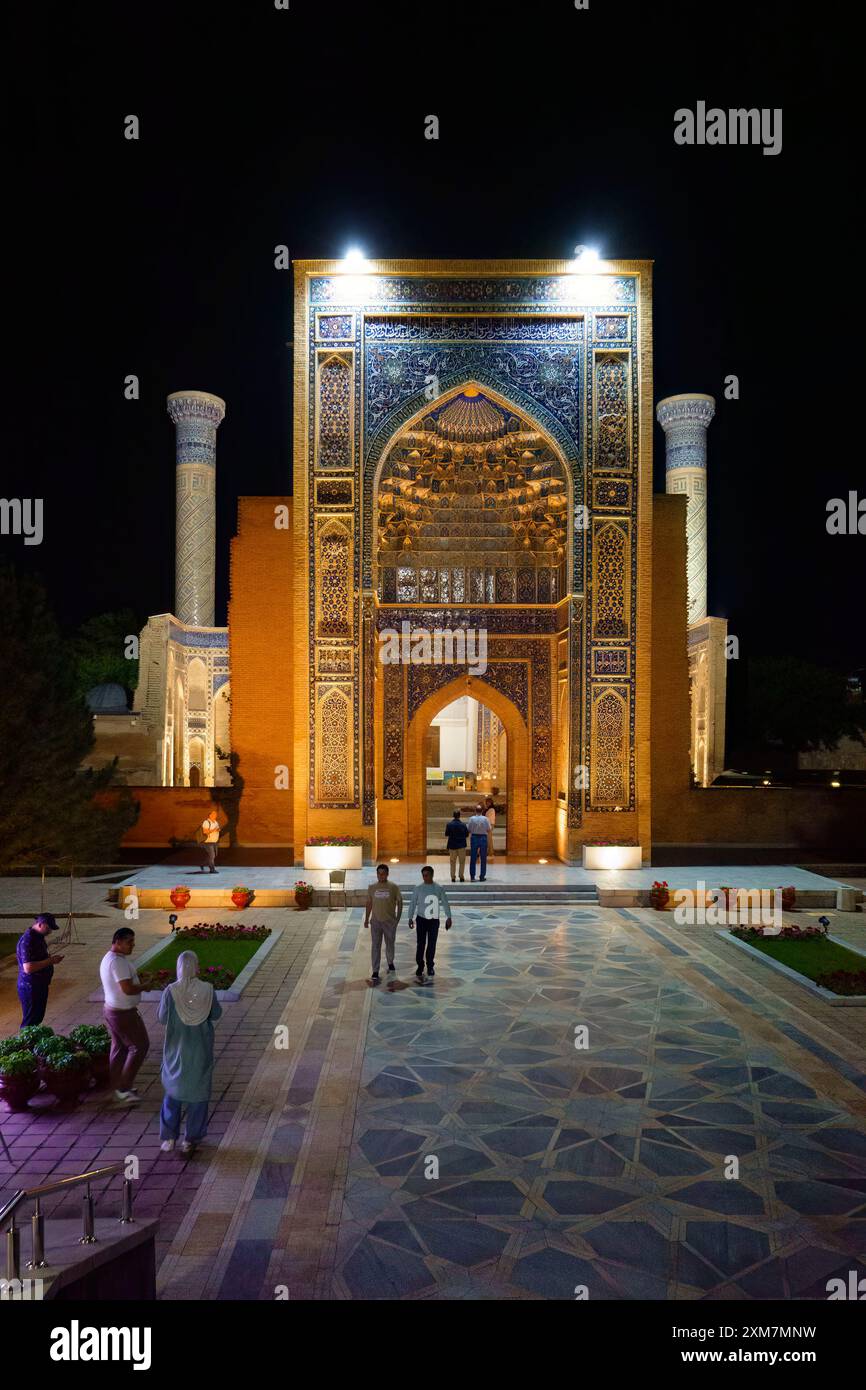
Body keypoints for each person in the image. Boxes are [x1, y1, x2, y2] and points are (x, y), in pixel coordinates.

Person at [157, 950, 222, 1155]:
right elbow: (216, 1013)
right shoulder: (207, 989)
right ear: (196, 966)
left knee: (172, 1092)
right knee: (198, 1096)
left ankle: (169, 1137)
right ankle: (191, 1139)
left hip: (176, 1050)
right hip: (200, 1051)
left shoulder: (171, 991)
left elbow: (162, 1018)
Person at [100, 927, 150, 1103]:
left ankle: (116, 1088)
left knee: (119, 1048)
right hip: (122, 1013)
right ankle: (123, 1088)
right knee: (140, 1046)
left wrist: (138, 978)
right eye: (129, 942)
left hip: (113, 1010)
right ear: (118, 942)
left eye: (133, 942)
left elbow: (125, 982)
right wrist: (145, 986)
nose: (132, 946)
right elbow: (127, 989)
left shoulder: (112, 958)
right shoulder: (117, 962)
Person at [16, 914, 63, 1026]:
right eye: (48, 928)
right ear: (40, 924)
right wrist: (50, 961)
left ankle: (33, 1042)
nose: (50, 931)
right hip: (31, 987)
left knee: (37, 1019)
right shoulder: (28, 940)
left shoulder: (38, 937)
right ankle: (26, 1042)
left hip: (39, 985)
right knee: (30, 1022)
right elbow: (28, 968)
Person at [407, 866, 452, 983]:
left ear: (432, 875)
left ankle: (430, 966)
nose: (425, 877)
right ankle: (420, 965)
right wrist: (410, 917)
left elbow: (445, 903)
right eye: (423, 875)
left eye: (427, 875)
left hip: (433, 920)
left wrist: (449, 917)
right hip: (421, 919)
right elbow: (412, 903)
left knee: (432, 944)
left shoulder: (438, 888)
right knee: (420, 944)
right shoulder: (418, 888)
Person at [363, 864, 403, 985]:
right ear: (377, 874)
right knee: (375, 946)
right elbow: (369, 903)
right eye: (379, 873)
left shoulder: (393, 887)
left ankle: (390, 962)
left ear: (387, 874)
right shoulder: (372, 887)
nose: (381, 876)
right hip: (375, 922)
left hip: (389, 921)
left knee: (390, 943)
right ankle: (375, 970)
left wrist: (397, 919)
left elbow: (400, 902)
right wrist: (366, 919)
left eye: (383, 873)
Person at [466, 805, 491, 882]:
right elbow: (489, 829)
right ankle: (482, 876)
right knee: (483, 858)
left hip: (474, 837)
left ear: (475, 811)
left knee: (473, 857)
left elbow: (469, 829)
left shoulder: (472, 819)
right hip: (483, 838)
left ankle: (472, 877)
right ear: (482, 811)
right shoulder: (485, 819)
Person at [444, 808, 469, 882]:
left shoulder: (449, 824)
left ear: (453, 816)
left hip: (452, 845)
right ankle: (461, 876)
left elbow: (446, 834)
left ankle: (453, 877)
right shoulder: (463, 825)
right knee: (462, 861)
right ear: (459, 816)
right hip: (461, 845)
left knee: (452, 862)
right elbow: (467, 834)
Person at [199, 806, 222, 874]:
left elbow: (217, 829)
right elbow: (205, 832)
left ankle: (202, 864)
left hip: (214, 841)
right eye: (213, 814)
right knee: (212, 855)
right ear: (210, 815)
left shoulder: (215, 822)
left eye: (216, 814)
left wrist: (218, 830)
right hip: (208, 842)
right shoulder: (206, 822)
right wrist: (214, 830)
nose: (215, 815)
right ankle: (212, 869)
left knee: (213, 855)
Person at [483, 796, 497, 864]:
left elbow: (489, 818)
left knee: (489, 839)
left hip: (490, 825)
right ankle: (489, 852)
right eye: (486, 802)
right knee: (488, 839)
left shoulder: (492, 809)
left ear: (490, 803)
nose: (486, 804)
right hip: (488, 825)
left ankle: (491, 853)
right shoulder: (489, 809)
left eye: (487, 802)